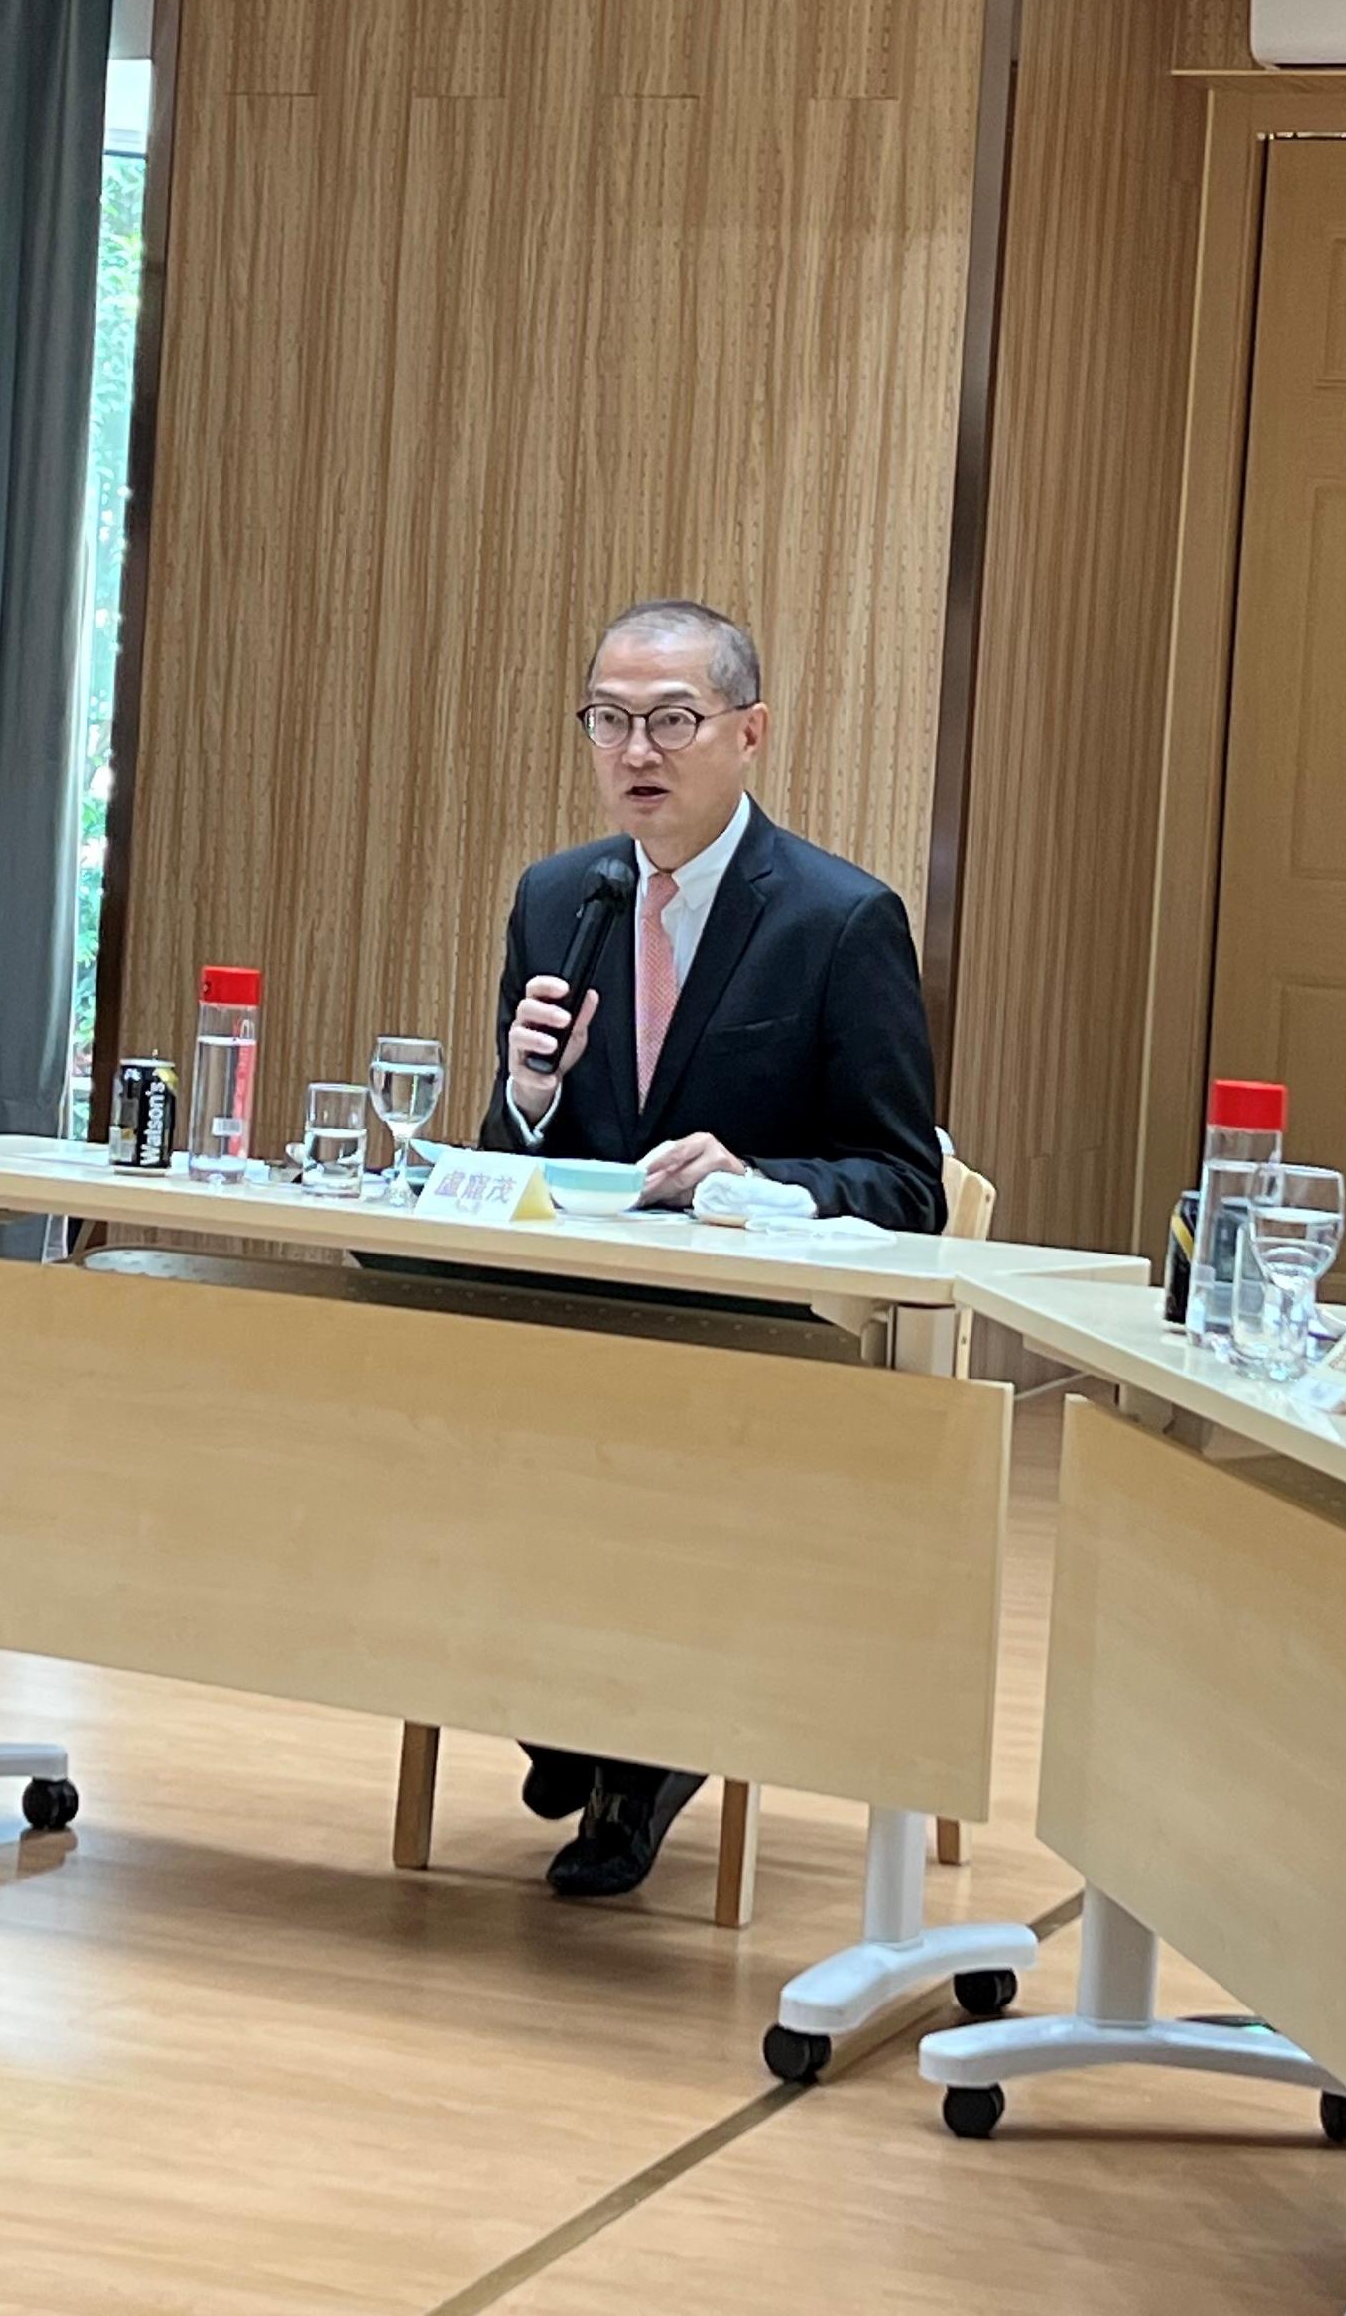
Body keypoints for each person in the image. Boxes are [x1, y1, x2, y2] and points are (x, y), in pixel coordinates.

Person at [477, 598, 944, 1896]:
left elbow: (908, 1184)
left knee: (637, 1463)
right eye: (610, 721)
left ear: (749, 734)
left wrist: (753, 1184)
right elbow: (510, 1161)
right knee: (448, 1433)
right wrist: (525, 1094)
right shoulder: (557, 896)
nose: (640, 749)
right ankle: (566, 1712)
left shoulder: (839, 921)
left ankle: (638, 1759)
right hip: (579, 1316)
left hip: (754, 1345)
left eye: (672, 720)